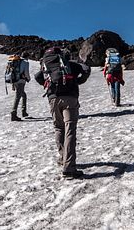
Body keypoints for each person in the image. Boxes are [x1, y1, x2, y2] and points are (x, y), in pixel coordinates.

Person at [35, 47, 91, 179]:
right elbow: (86, 69)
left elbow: (37, 76)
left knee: (59, 128)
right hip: (70, 98)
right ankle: (69, 167)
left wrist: (46, 84)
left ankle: (63, 157)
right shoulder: (70, 64)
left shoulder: (47, 65)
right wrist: (78, 81)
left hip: (53, 99)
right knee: (70, 130)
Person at [5, 52, 31, 121]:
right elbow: (26, 72)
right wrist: (28, 79)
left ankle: (24, 112)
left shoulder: (16, 61)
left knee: (23, 95)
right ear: (27, 56)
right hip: (21, 81)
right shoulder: (25, 62)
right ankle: (13, 113)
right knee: (18, 96)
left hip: (15, 80)